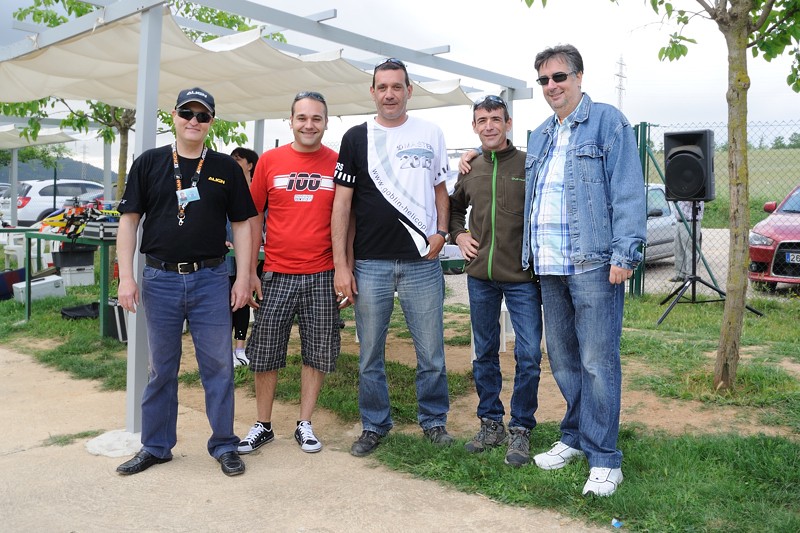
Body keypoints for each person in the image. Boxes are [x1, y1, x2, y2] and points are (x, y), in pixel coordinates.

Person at [521, 45, 646, 496]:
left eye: (559, 77)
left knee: (597, 361)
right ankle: (575, 436)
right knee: (565, 359)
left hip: (592, 262)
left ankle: (605, 457)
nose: (551, 86)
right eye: (544, 80)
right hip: (549, 264)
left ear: (578, 77)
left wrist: (625, 253)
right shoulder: (541, 134)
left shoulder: (608, 122)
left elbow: (628, 191)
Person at [115, 87, 256, 477]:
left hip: (211, 279)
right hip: (159, 279)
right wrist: (126, 278)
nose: (194, 121)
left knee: (219, 366)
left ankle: (224, 444)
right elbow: (129, 221)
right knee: (161, 368)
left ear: (211, 122)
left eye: (202, 115)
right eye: (187, 113)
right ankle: (156, 446)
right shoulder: (149, 162)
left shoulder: (226, 167)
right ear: (174, 116)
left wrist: (244, 277)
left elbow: (243, 226)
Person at [331, 58, 453, 457]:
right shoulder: (356, 137)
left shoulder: (431, 132)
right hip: (370, 263)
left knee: (431, 353)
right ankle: (374, 425)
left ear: (408, 91)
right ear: (372, 92)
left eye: (397, 87)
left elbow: (440, 189)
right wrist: (342, 265)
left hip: (422, 262)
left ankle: (434, 421)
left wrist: (442, 232)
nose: (389, 94)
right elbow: (341, 205)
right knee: (370, 354)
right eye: (382, 87)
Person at [238, 91, 341, 455]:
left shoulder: (338, 163)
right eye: (302, 118)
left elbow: (348, 220)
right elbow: (253, 216)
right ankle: (263, 424)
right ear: (291, 121)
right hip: (276, 272)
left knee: (318, 351)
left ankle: (305, 423)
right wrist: (250, 270)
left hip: (323, 273)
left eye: (316, 118)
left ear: (325, 122)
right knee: (265, 351)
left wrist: (344, 271)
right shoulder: (269, 161)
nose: (309, 125)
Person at [449, 95, 543, 467]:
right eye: (482, 120)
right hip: (480, 278)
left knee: (529, 354)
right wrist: (458, 235)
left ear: (508, 123)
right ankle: (491, 424)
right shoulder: (470, 168)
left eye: (496, 119)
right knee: (485, 352)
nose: (489, 126)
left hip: (521, 277)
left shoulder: (527, 164)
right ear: (475, 126)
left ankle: (521, 427)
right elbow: (454, 208)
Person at [228, 147, 260, 366]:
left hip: (256, 258)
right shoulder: (227, 186)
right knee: (230, 301)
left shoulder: (258, 191)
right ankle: (226, 349)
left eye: (238, 160)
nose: (234, 162)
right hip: (229, 259)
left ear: (250, 165)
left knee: (245, 300)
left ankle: (240, 348)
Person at [670, 200, 704, 282]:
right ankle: (680, 274)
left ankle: (690, 275)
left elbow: (697, 201)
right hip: (679, 221)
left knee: (690, 250)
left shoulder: (694, 192)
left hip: (690, 222)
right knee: (678, 249)